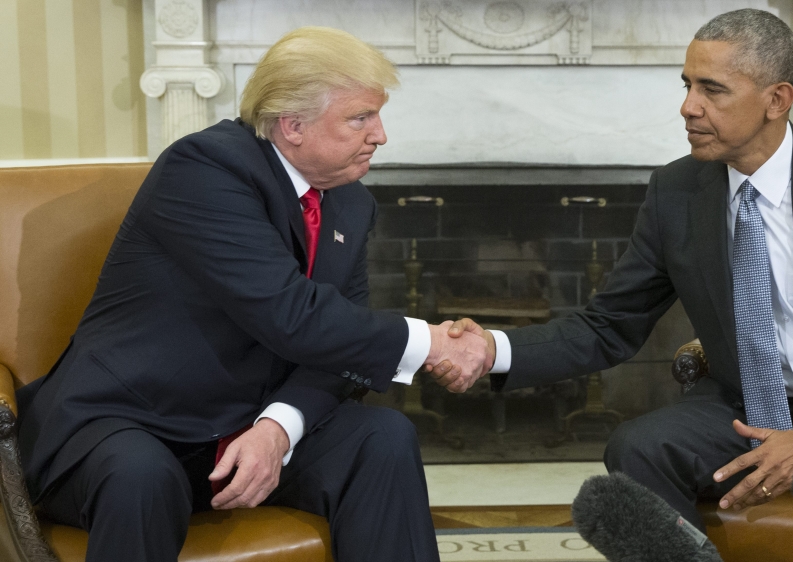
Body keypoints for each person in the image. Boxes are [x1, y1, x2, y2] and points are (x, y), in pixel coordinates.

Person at [433, 8, 793, 551]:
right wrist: (493, 349)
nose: (687, 107)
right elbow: (609, 325)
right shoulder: (676, 192)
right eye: (686, 86)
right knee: (638, 449)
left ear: (777, 99)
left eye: (712, 90)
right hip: (744, 409)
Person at [16, 27, 488, 562]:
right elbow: (291, 314)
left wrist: (278, 428)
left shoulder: (351, 203)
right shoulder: (204, 169)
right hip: (133, 418)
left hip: (246, 423)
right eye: (361, 118)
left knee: (381, 438)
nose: (380, 135)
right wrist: (429, 341)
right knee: (140, 476)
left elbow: (342, 346)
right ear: (292, 126)